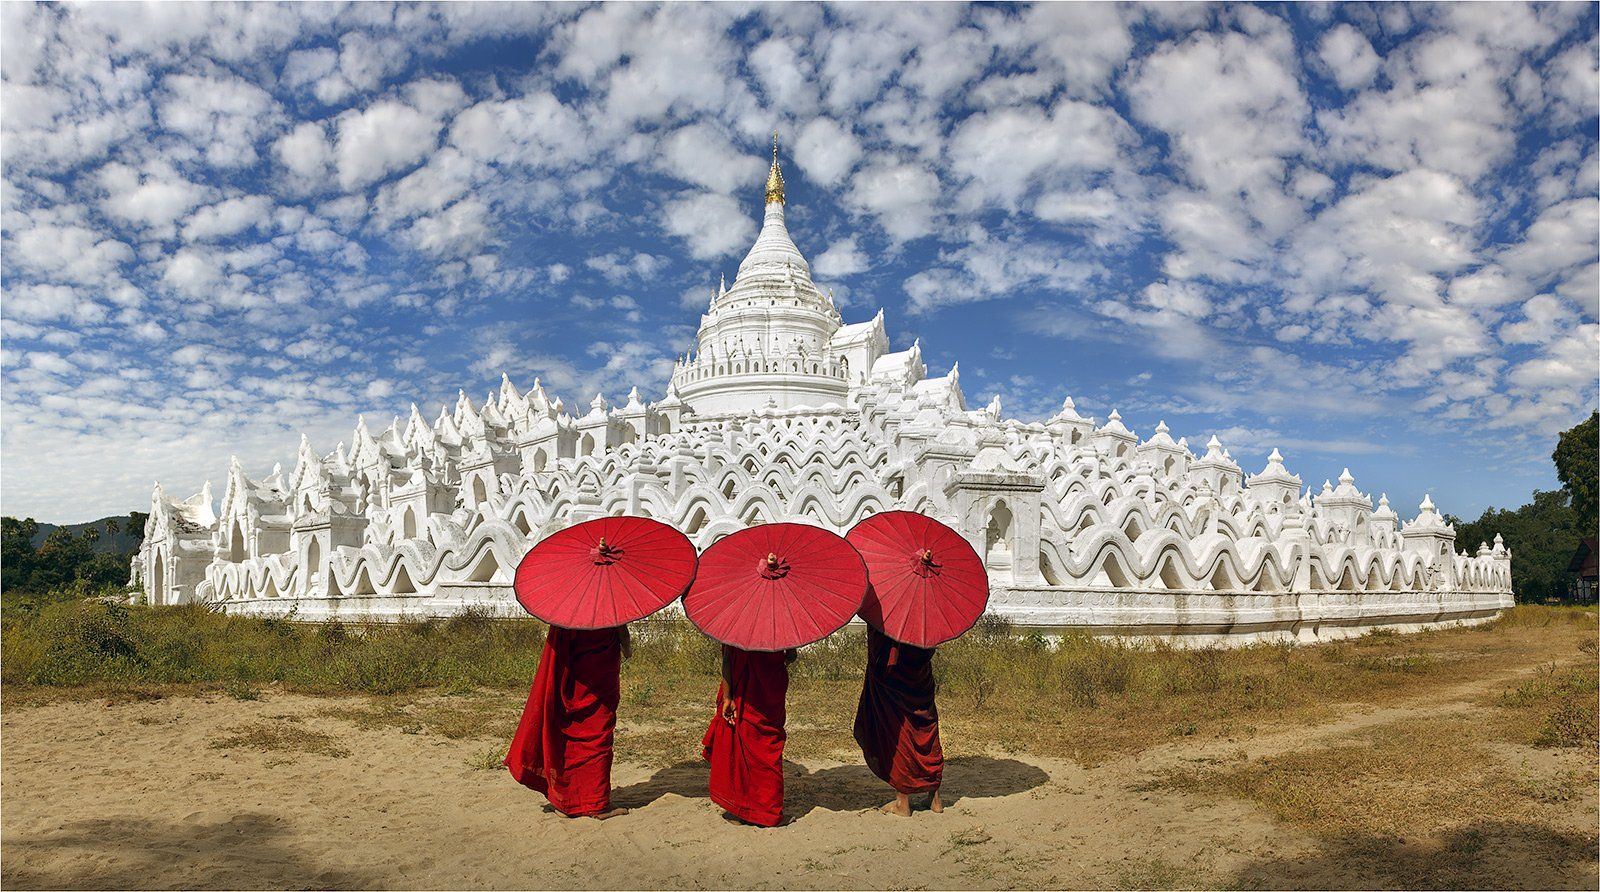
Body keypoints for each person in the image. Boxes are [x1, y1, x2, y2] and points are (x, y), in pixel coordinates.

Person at [504, 624, 631, 819]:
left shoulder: (570, 611)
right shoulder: (610, 602)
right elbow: (623, 634)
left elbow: (559, 650)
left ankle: (565, 803)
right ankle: (596, 804)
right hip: (601, 675)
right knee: (598, 735)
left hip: (574, 675)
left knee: (570, 737)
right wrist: (626, 643)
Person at [701, 644, 796, 827]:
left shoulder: (738, 620)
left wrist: (728, 697)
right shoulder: (779, 621)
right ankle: (767, 811)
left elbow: (728, 659)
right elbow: (791, 656)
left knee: (738, 740)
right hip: (770, 688)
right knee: (767, 746)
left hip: (742, 693)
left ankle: (738, 810)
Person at [853, 624, 943, 816]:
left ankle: (903, 802)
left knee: (899, 730)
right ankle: (935, 799)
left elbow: (880, 651)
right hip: (920, 676)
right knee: (926, 727)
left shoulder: (891, 605)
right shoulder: (927, 608)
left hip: (895, 677)